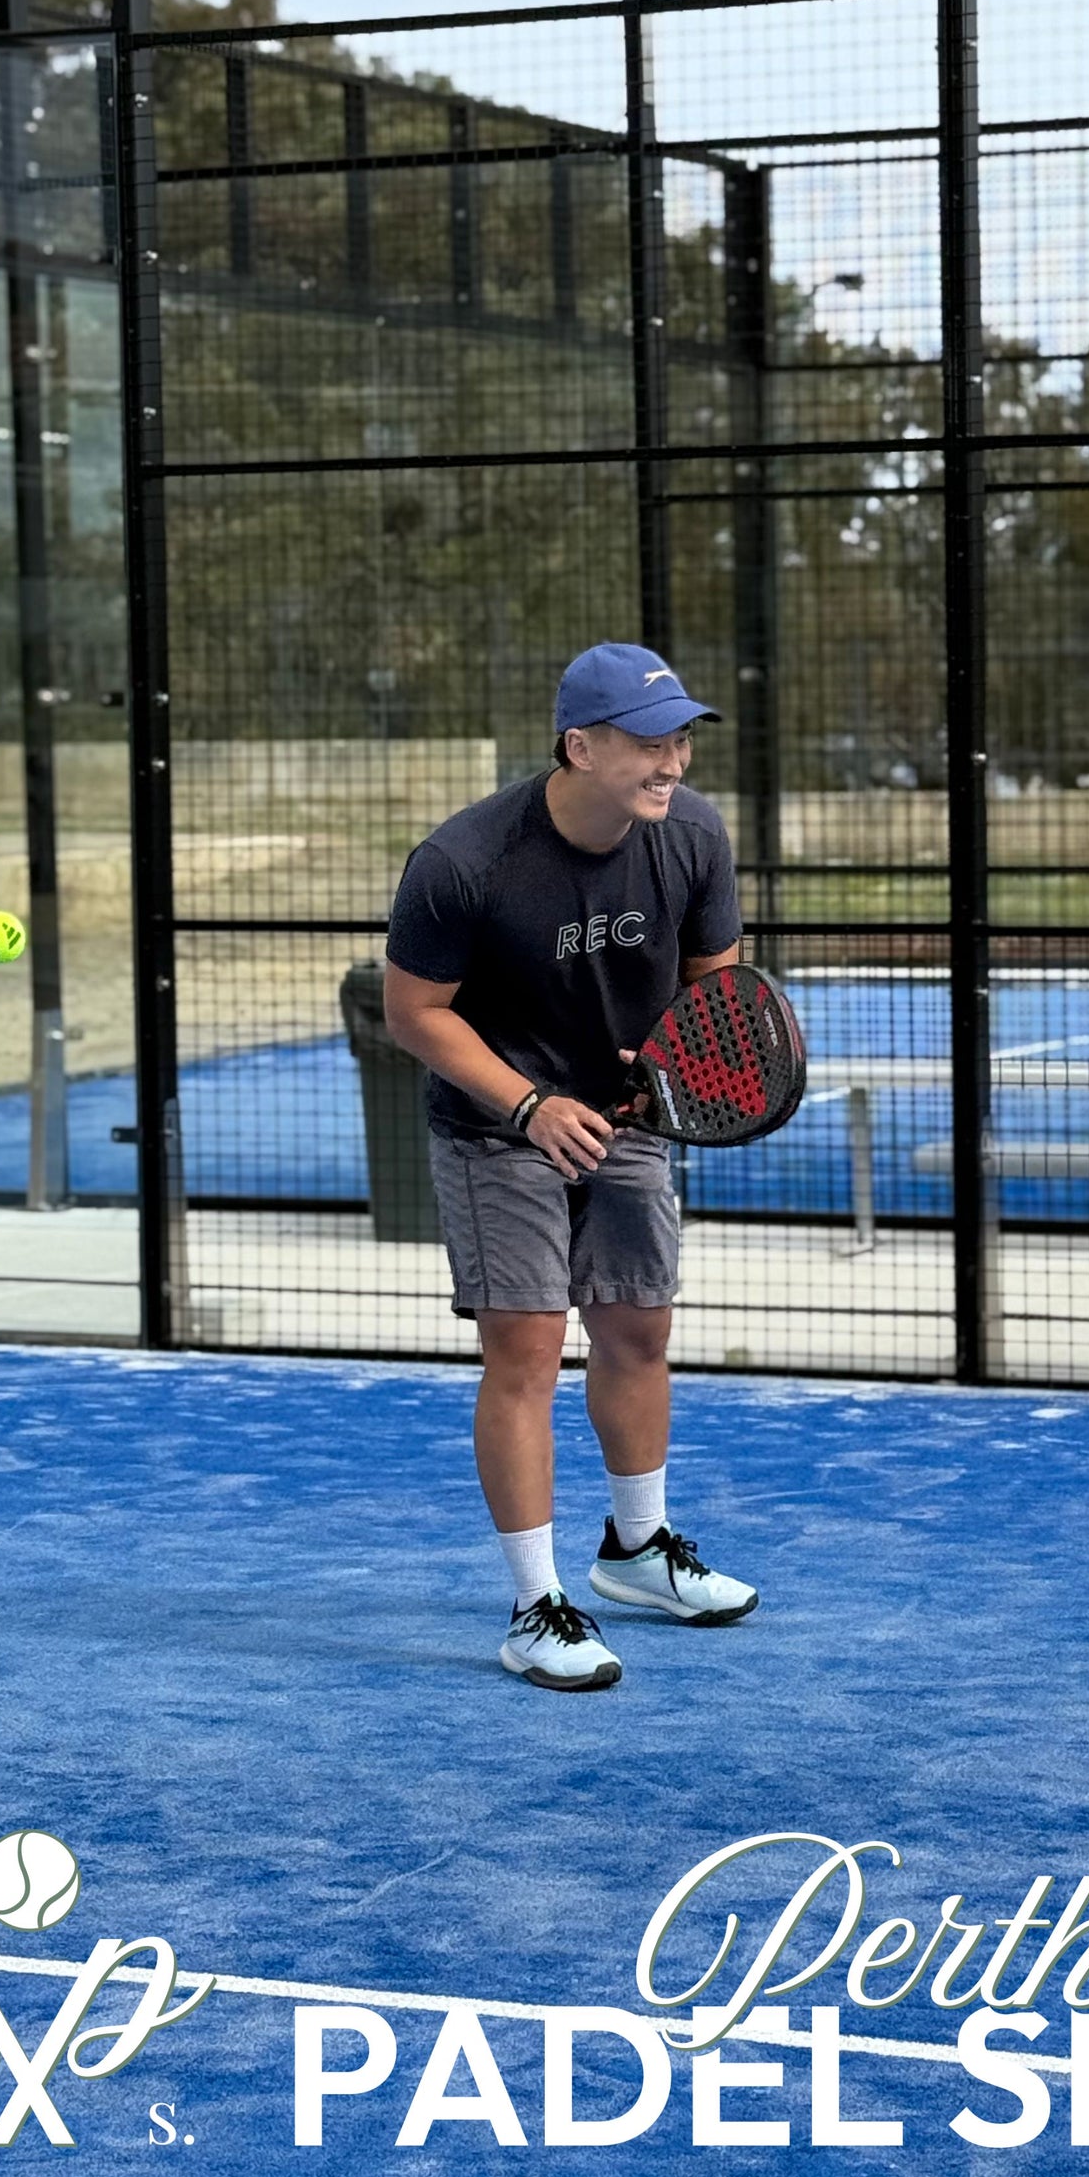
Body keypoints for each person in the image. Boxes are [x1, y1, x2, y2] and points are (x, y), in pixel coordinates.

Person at [383, 642, 759, 1691]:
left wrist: (670, 1066)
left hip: (626, 1115)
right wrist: (528, 1104)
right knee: (528, 1353)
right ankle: (533, 1606)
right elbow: (412, 1013)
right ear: (579, 746)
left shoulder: (693, 834)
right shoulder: (462, 861)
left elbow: (713, 984)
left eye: (680, 739)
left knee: (639, 1329)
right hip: (496, 1128)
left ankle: (637, 1550)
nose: (671, 762)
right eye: (648, 743)